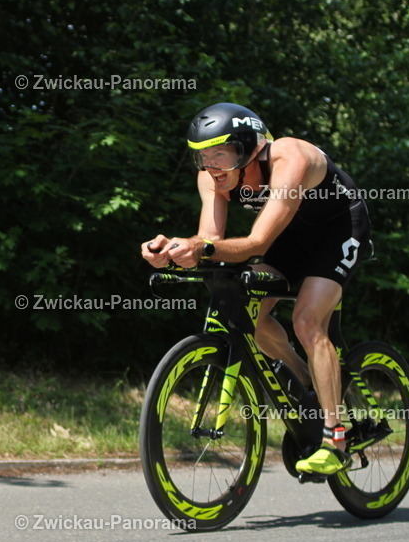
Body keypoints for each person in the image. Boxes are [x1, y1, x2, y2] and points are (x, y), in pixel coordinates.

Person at [141, 102, 372, 474]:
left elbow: (258, 241)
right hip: (289, 238)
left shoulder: (289, 157)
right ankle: (306, 382)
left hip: (338, 229)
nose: (210, 167)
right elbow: (211, 242)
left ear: (249, 148)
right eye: (201, 157)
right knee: (251, 316)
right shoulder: (211, 177)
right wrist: (174, 249)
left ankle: (336, 438)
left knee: (308, 321)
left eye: (220, 155)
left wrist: (202, 247)